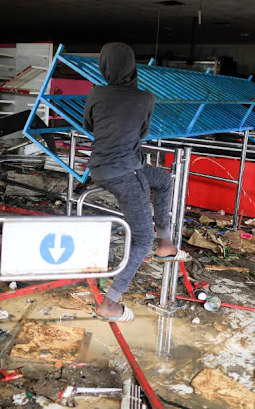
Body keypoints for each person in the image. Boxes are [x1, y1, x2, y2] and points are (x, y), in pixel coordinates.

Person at [83, 42, 190, 323]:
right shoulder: (145, 98)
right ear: (132, 67)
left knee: (163, 179)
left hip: (103, 169)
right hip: (126, 174)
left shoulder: (96, 93)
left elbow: (89, 125)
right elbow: (142, 132)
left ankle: (165, 241)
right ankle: (110, 302)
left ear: (104, 66)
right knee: (142, 239)